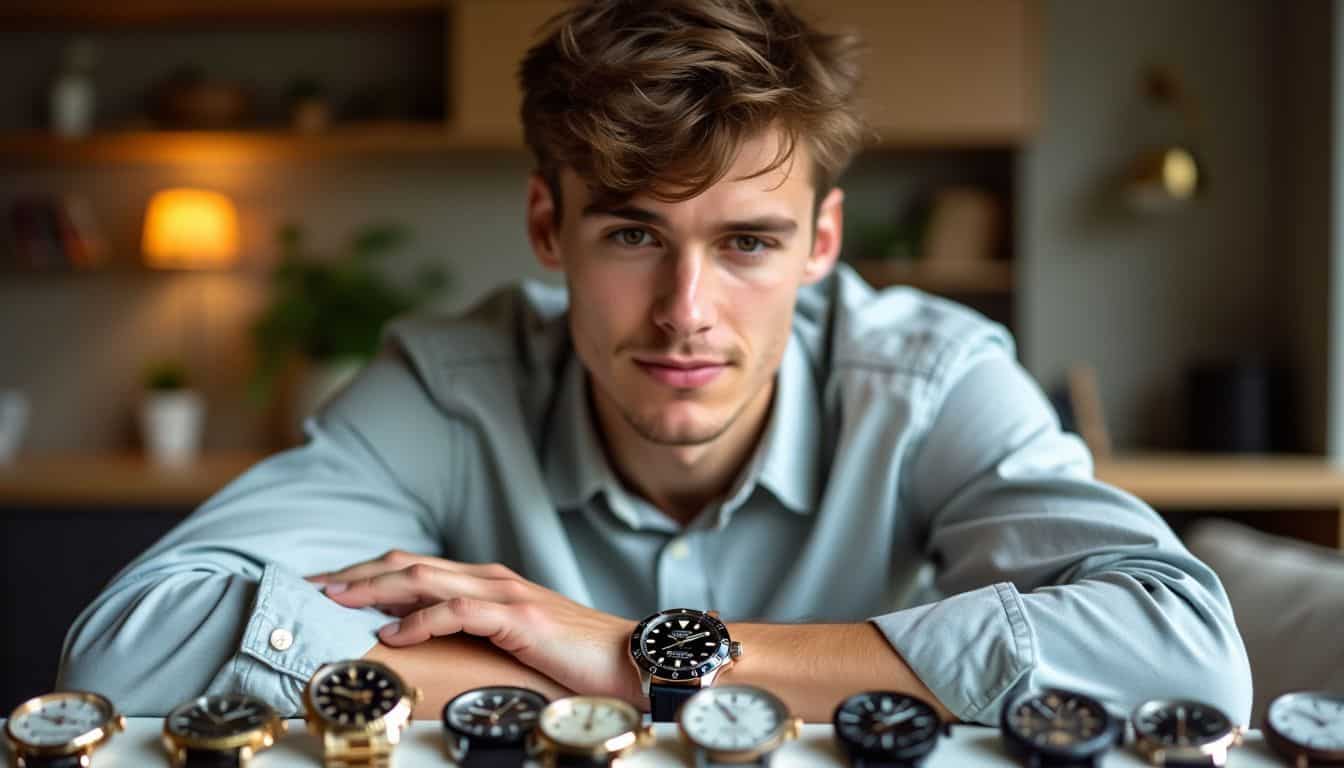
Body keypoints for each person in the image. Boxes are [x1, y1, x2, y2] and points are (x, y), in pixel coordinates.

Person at [58, 0, 1252, 725]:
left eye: (747, 243)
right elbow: (129, 644)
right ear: (547, 229)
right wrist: (591, 683)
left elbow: (1184, 652)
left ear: (822, 245)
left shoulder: (928, 375)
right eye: (634, 233)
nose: (688, 311)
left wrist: (636, 652)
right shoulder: (450, 380)